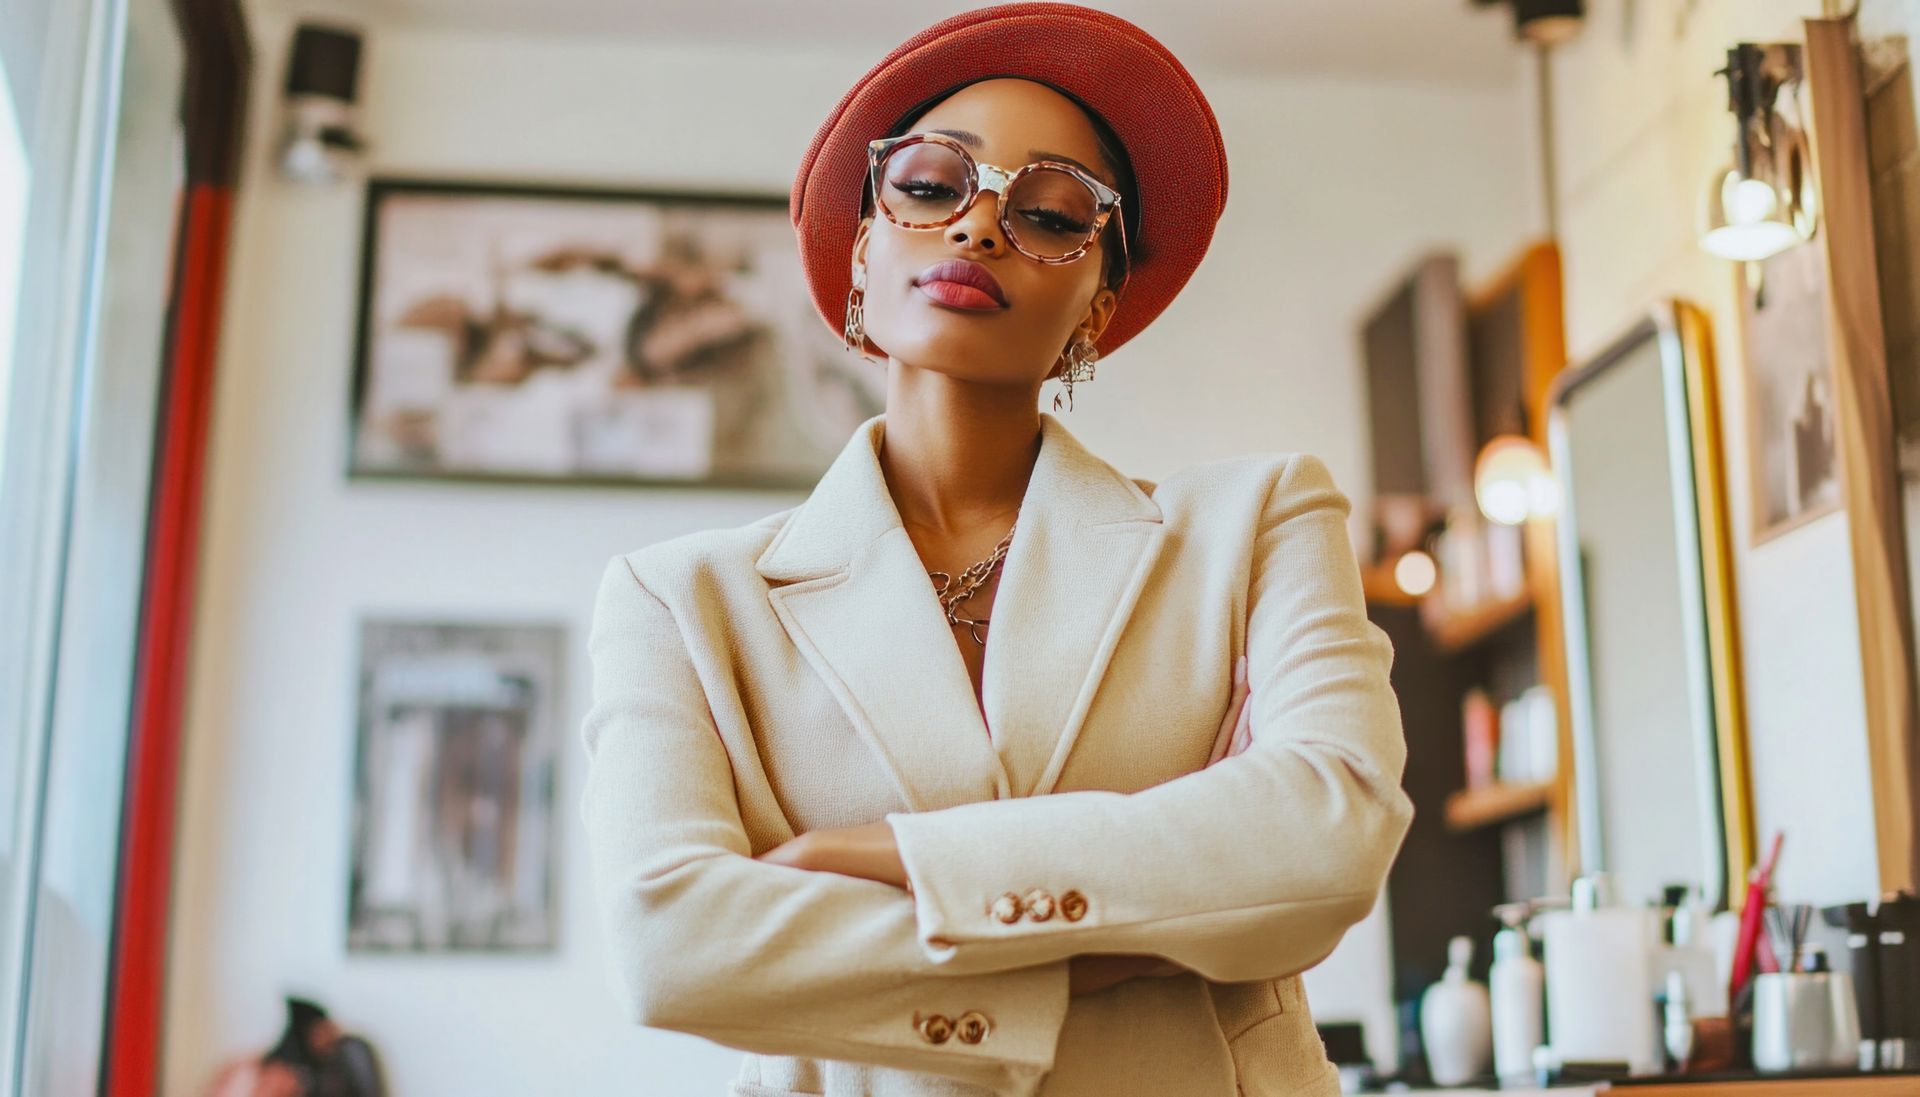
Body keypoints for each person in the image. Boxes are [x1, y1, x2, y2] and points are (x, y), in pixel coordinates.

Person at [578, 5, 1414, 1095]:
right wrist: (1155, 927)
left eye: (1054, 212)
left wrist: (881, 859)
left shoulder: (1258, 525)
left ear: (1098, 303)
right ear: (866, 243)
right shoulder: (679, 601)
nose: (976, 228)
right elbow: (672, 944)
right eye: (930, 187)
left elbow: (1329, 833)